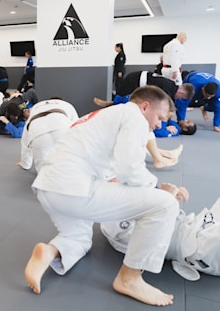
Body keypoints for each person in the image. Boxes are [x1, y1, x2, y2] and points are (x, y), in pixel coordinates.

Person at [24, 86, 184, 307]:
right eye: (159, 117)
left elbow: (114, 169)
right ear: (145, 106)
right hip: (73, 189)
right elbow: (128, 167)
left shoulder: (104, 116)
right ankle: (130, 279)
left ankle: (50, 252)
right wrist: (157, 190)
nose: (159, 125)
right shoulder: (133, 115)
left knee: (79, 239)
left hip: (48, 188)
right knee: (164, 205)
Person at [101, 167, 220, 282]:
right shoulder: (111, 221)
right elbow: (152, 243)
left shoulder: (129, 197)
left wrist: (168, 192)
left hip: (205, 223)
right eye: (114, 179)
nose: (121, 179)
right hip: (205, 250)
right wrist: (167, 197)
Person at [17, 98, 79, 173]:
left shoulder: (36, 107)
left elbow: (25, 141)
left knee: (43, 174)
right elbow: (77, 126)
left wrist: (25, 164)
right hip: (61, 126)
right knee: (68, 165)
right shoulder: (67, 104)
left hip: (37, 131)